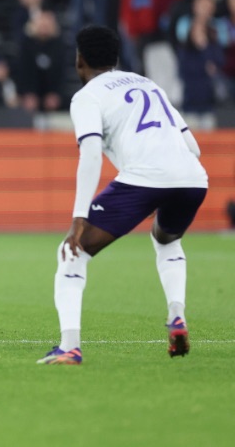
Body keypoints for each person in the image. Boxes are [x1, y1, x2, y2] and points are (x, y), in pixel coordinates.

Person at [38, 25, 208, 365]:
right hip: (192, 177)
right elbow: (193, 146)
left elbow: (90, 155)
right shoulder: (147, 83)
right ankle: (176, 315)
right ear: (116, 58)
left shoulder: (87, 97)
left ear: (79, 60)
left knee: (72, 252)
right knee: (166, 240)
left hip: (144, 178)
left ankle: (69, 346)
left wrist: (79, 219)